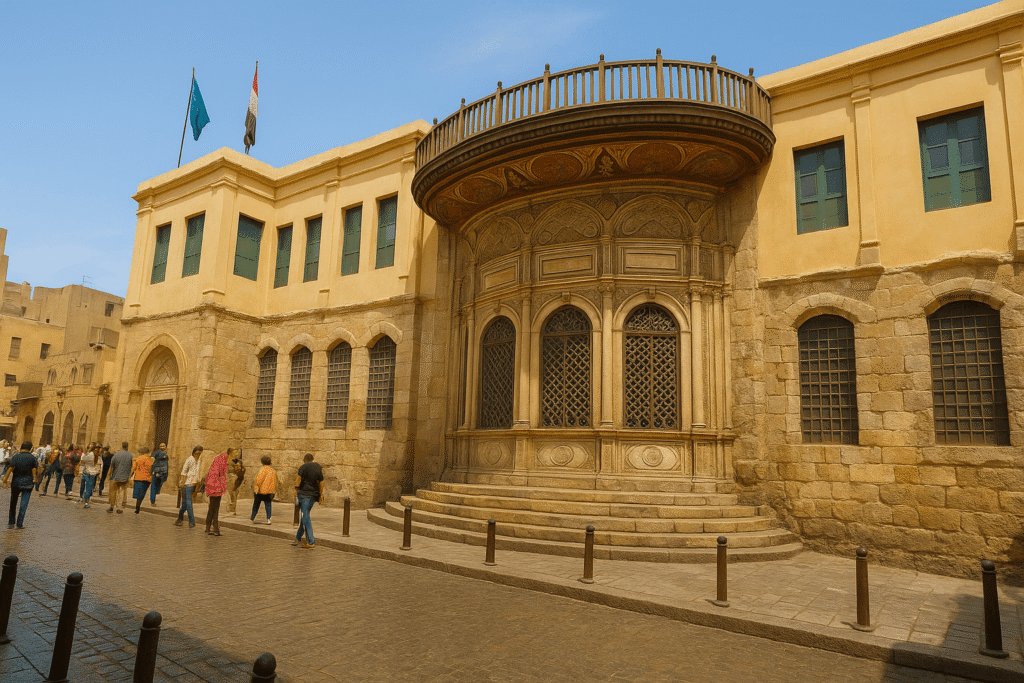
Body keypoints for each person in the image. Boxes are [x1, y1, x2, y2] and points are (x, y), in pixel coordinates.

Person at [2, 441, 37, 529]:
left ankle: (11, 523)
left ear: (21, 447)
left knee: (13, 503)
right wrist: (34, 478)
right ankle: (19, 524)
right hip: (28, 483)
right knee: (23, 504)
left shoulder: (16, 456)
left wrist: (5, 478)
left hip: (16, 483)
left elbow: (10, 468)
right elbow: (34, 469)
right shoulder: (33, 458)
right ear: (30, 448)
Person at [292, 453, 324, 549]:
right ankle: (297, 538)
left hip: (304, 494)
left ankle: (311, 541)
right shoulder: (318, 467)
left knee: (305, 517)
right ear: (312, 459)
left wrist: (296, 489)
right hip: (314, 495)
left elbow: (298, 481)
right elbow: (321, 482)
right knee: (305, 516)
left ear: (305, 460)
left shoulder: (303, 467)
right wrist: (320, 494)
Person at [175, 446, 203, 527]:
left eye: (199, 453)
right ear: (194, 452)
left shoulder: (199, 461)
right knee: (189, 503)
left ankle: (179, 519)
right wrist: (182, 482)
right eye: (197, 453)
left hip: (195, 484)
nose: (198, 455)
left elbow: (198, 471)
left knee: (184, 504)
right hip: (187, 484)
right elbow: (183, 472)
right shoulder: (189, 459)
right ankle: (192, 522)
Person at [204, 450, 228, 536]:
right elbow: (220, 476)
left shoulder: (215, 466)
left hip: (214, 489)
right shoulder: (219, 465)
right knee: (215, 509)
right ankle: (215, 528)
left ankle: (208, 527)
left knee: (212, 508)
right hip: (216, 489)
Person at [106, 442, 133, 514]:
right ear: (127, 446)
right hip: (125, 477)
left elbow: (112, 465)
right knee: (121, 492)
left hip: (116, 476)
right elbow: (130, 466)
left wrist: (108, 475)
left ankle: (112, 507)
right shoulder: (130, 455)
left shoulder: (116, 454)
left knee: (113, 492)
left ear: (121, 446)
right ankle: (119, 508)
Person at [250, 455, 276, 525]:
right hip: (269, 491)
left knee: (256, 504)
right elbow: (275, 481)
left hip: (260, 491)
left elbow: (259, 480)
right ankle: (269, 518)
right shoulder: (273, 471)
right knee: (268, 505)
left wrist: (256, 488)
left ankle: (253, 517)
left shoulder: (263, 470)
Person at [130, 447, 154, 514]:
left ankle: (137, 507)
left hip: (138, 478)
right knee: (143, 493)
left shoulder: (138, 459)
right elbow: (151, 469)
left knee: (138, 493)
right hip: (147, 479)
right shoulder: (150, 459)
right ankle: (138, 506)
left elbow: (133, 468)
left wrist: (130, 476)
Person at [228, 449, 245, 515]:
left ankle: (232, 510)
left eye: (237, 452)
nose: (237, 454)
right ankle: (230, 510)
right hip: (229, 479)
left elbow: (243, 469)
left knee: (234, 494)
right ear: (230, 453)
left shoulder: (237, 461)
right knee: (230, 495)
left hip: (236, 479)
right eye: (235, 452)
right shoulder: (228, 461)